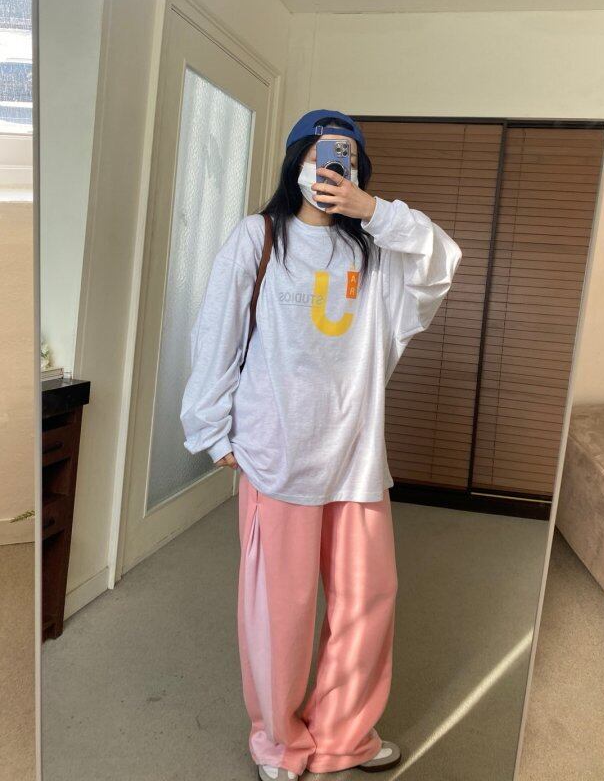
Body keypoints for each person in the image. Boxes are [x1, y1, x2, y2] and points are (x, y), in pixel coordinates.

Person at [180, 109, 462, 781]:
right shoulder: (258, 238)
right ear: (297, 162)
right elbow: (217, 330)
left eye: (349, 160)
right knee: (281, 611)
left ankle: (344, 736)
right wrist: (210, 426)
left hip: (356, 459)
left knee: (368, 603)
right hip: (277, 455)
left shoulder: (376, 253)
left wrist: (374, 212)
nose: (334, 170)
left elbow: (440, 261)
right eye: (323, 156)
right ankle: (279, 743)